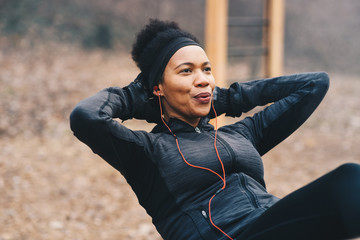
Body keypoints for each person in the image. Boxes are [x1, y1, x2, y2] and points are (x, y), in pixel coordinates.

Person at [70, 19, 360, 240]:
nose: (202, 80)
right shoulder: (147, 152)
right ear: (158, 87)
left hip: (271, 222)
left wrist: (230, 98)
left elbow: (314, 85)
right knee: (348, 180)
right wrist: (135, 98)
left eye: (206, 70)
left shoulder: (241, 135)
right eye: (187, 71)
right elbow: (86, 117)